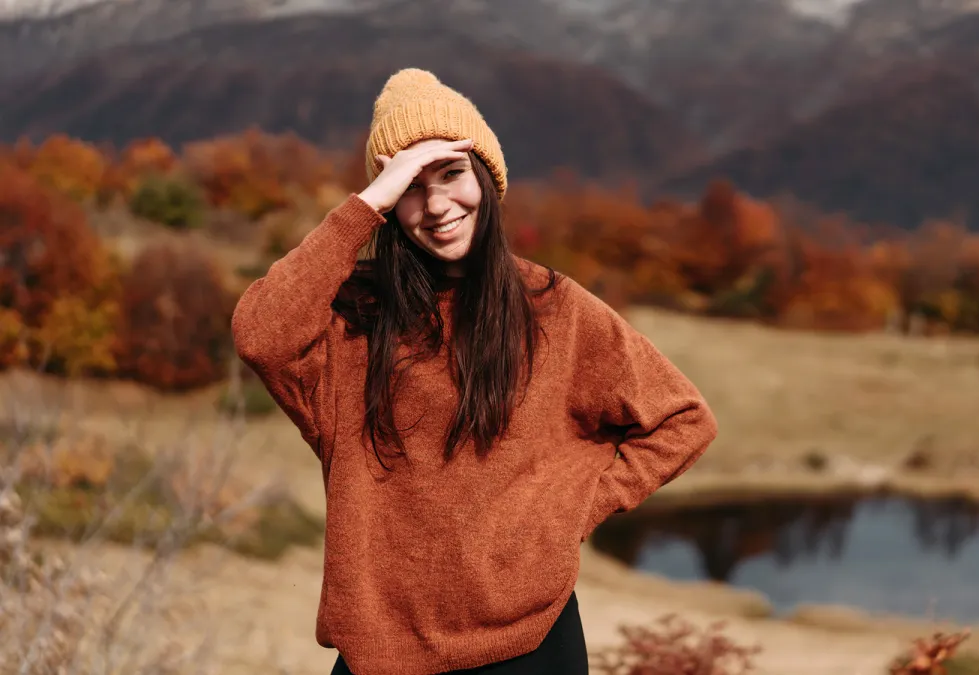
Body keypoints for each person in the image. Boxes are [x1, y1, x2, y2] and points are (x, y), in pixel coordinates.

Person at [231, 68, 719, 675]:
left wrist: (568, 510)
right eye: (411, 183)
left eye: (452, 174)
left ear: (487, 178)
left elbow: (682, 420)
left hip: (530, 646)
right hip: (382, 653)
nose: (436, 206)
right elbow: (259, 334)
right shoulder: (352, 316)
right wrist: (366, 206)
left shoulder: (552, 307)